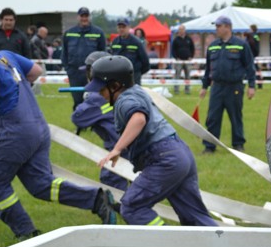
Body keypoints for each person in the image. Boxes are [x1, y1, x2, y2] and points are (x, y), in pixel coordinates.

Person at [0, 25, 117, 241]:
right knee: (41, 185)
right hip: (38, 128)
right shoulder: (4, 56)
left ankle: (26, 233)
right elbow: (35, 72)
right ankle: (96, 201)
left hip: (13, 135)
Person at [90, 55, 217, 226]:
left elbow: (138, 119)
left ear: (115, 86)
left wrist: (117, 149)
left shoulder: (124, 100)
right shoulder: (137, 91)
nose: (100, 94)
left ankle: (168, 246)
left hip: (164, 159)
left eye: (101, 89)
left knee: (131, 207)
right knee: (195, 216)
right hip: (180, 153)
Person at [71, 51, 129, 191]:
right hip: (135, 143)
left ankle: (119, 206)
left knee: (111, 182)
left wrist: (88, 98)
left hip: (118, 146)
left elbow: (78, 118)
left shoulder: (97, 98)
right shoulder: (121, 90)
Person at [199, 15, 256, 153]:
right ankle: (210, 146)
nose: (216, 29)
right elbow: (208, 68)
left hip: (234, 87)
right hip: (217, 87)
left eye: (218, 26)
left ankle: (238, 144)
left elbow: (249, 66)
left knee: (235, 116)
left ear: (227, 27)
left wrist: (252, 86)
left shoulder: (241, 44)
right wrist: (204, 86)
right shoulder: (212, 47)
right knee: (212, 117)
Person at [62, 7, 107, 108]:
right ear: (78, 17)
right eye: (82, 16)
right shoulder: (69, 33)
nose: (84, 18)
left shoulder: (98, 33)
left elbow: (103, 54)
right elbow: (64, 54)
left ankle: (95, 123)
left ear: (89, 17)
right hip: (74, 73)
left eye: (86, 16)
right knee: (77, 101)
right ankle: (79, 122)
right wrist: (68, 69)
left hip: (92, 74)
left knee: (94, 100)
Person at [110, 17, 151, 85]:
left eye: (124, 27)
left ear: (129, 27)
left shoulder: (136, 42)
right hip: (118, 77)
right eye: (119, 27)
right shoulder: (115, 42)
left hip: (133, 78)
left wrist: (136, 73)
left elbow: (145, 63)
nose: (121, 29)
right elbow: (111, 59)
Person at [171, 25, 196, 94]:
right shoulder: (176, 40)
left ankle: (187, 90)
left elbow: (192, 48)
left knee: (188, 75)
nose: (181, 31)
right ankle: (176, 90)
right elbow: (173, 50)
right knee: (177, 75)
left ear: (184, 30)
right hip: (179, 60)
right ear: (178, 31)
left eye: (182, 29)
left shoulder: (189, 39)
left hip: (188, 60)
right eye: (180, 30)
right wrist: (176, 58)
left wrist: (191, 57)